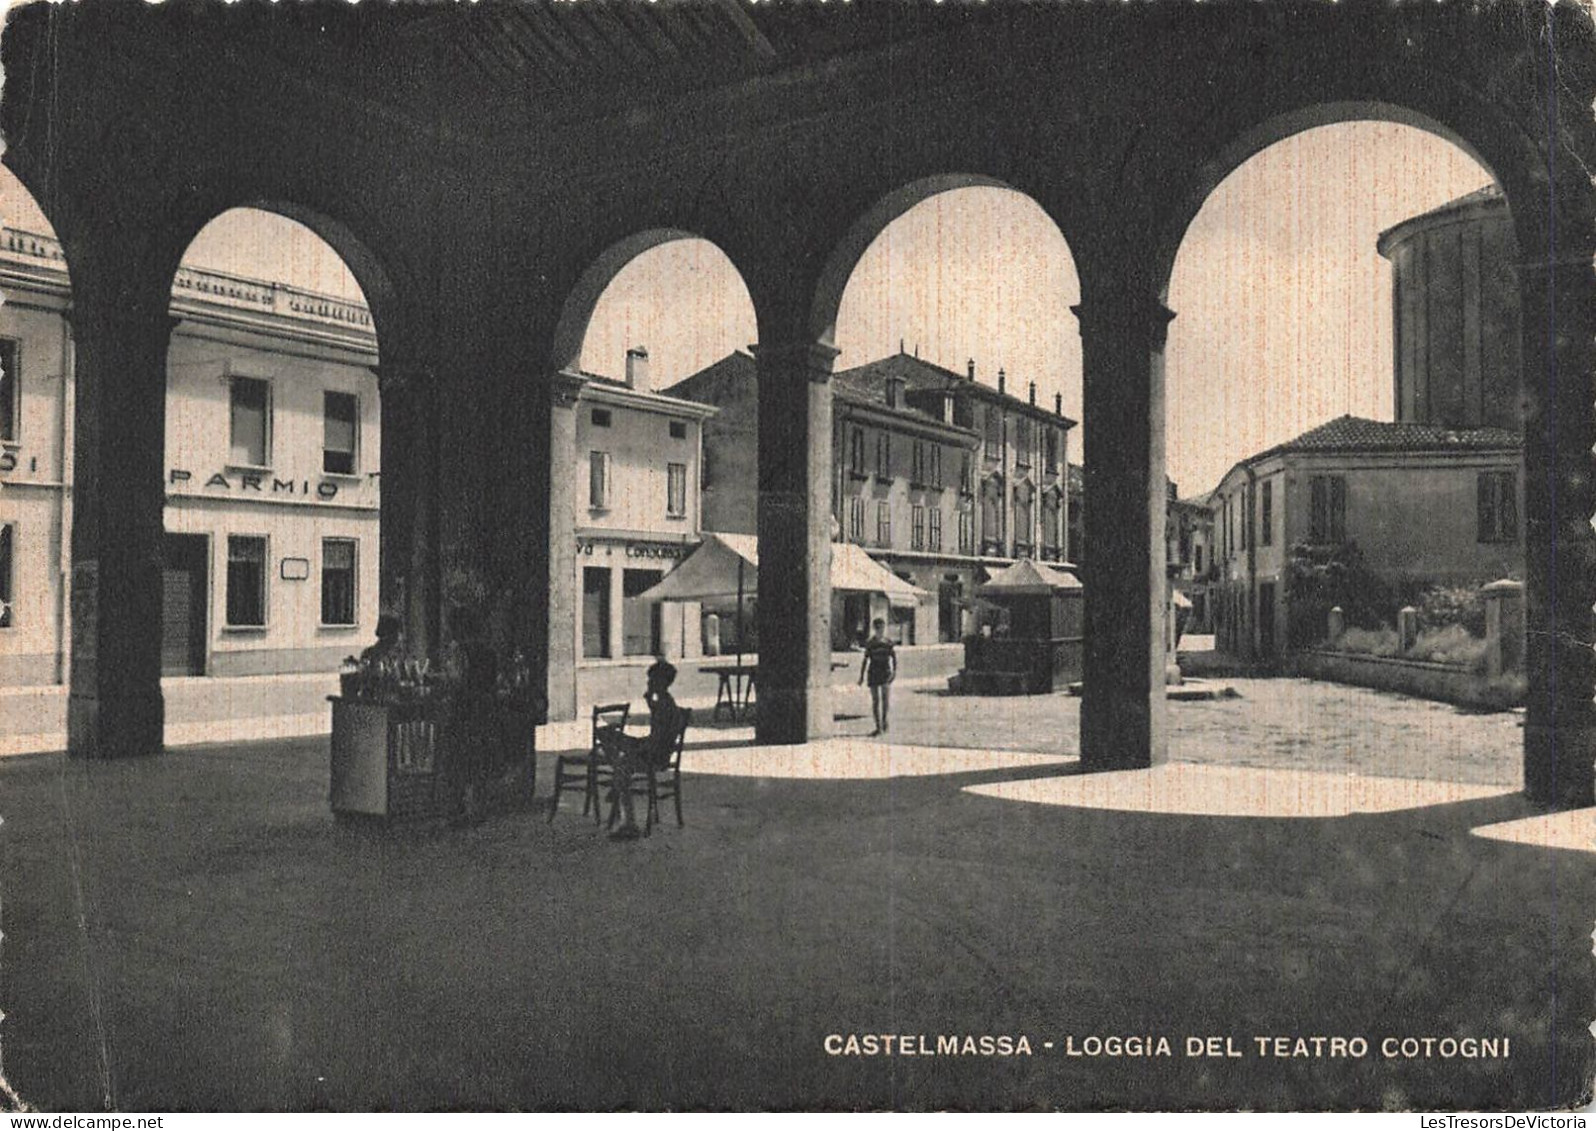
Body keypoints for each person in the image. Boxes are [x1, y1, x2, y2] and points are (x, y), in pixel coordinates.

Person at [599, 658, 683, 841]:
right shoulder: (664, 703)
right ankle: (618, 780)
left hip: (654, 756)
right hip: (652, 749)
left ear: (661, 682)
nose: (649, 684)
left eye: (652, 680)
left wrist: (636, 749)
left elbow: (658, 740)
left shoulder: (665, 707)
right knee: (608, 736)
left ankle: (629, 823)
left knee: (619, 761)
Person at [858, 618, 897, 737]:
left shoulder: (888, 642)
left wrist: (894, 672)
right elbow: (865, 660)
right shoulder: (870, 643)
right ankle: (878, 726)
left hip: (885, 672)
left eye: (882, 627)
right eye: (878, 628)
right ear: (874, 628)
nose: (880, 630)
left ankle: (885, 721)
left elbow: (894, 657)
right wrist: (861, 677)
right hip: (873, 673)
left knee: (885, 700)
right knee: (876, 701)